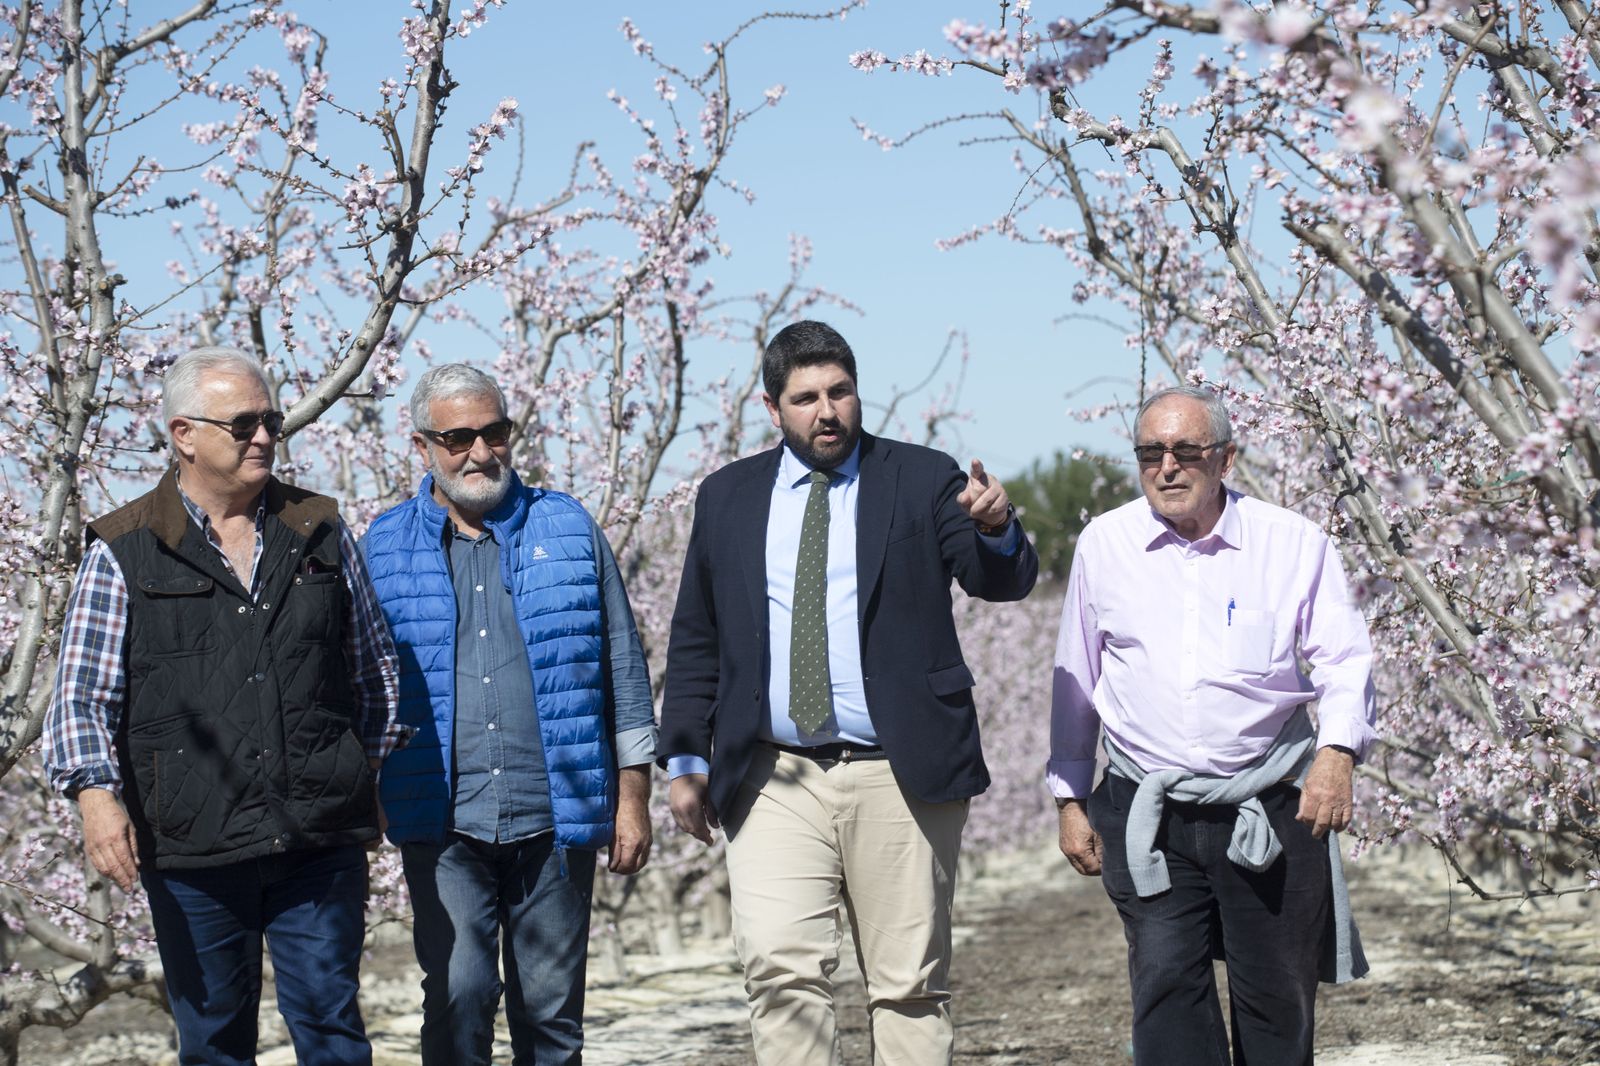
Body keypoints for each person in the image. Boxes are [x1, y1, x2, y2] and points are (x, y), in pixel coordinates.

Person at [661, 320, 1039, 1065]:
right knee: (779, 974)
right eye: (805, 398)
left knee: (908, 987)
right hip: (771, 773)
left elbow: (999, 581)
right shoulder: (727, 497)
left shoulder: (922, 477)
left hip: (898, 770)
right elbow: (695, 635)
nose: (826, 411)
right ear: (773, 409)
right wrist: (683, 761)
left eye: (839, 391)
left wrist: (996, 528)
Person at [44, 346, 402, 1066]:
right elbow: (81, 696)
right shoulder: (123, 549)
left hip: (318, 844)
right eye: (243, 424)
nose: (265, 436)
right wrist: (96, 796)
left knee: (334, 1035)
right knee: (213, 1048)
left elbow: (377, 672)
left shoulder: (321, 530)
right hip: (191, 850)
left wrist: (352, 771)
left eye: (270, 419)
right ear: (184, 434)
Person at [1051, 384, 1376, 1066]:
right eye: (1150, 453)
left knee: (1276, 1000)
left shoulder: (1292, 543)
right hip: (1149, 808)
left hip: (1270, 805)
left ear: (1224, 459)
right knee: (1167, 992)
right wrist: (1070, 797)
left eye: (1185, 451)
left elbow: (1345, 660)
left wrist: (1337, 752)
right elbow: (1075, 679)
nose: (1167, 468)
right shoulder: (1104, 545)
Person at [362, 363, 655, 1066]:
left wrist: (633, 798)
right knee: (461, 991)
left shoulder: (569, 526)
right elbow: (359, 684)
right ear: (422, 446)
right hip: (443, 819)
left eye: (494, 432)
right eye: (458, 437)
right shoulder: (382, 546)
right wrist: (364, 788)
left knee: (551, 1015)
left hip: (557, 812)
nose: (480, 452)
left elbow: (622, 662)